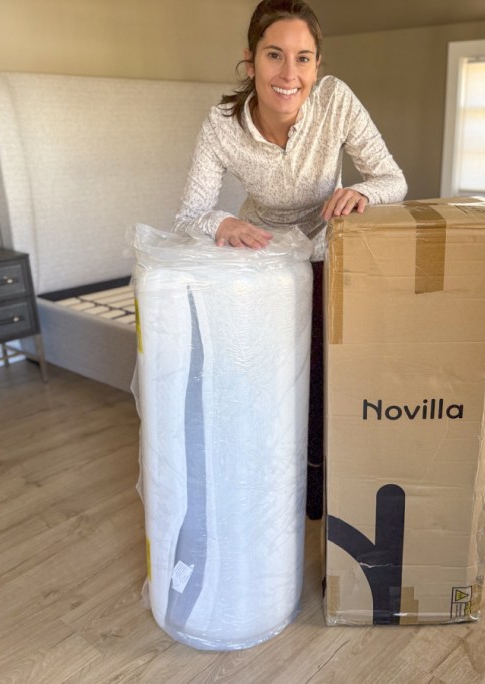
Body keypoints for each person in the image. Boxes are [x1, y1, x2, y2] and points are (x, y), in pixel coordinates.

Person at [174, 0, 407, 519]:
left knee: (322, 370)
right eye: (274, 55)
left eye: (304, 59)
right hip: (259, 254)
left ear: (317, 66)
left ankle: (316, 488)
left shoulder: (336, 102)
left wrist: (363, 194)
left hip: (325, 247)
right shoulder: (220, 125)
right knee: (260, 372)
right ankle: (261, 479)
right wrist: (222, 222)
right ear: (250, 59)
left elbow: (394, 179)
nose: (289, 73)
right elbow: (189, 215)